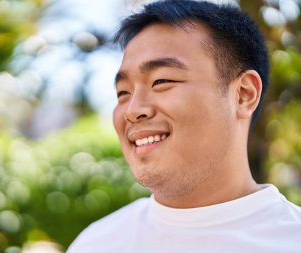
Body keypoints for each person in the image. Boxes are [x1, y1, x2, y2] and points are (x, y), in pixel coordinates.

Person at [67, 0, 301, 252]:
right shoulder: (96, 243)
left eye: (161, 81)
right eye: (123, 92)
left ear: (244, 94)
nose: (133, 110)